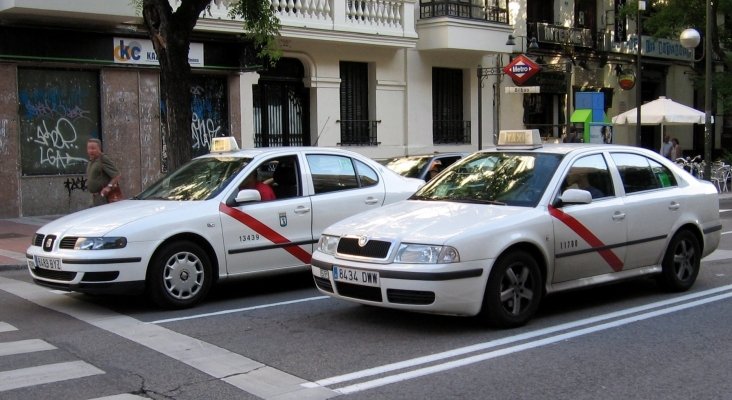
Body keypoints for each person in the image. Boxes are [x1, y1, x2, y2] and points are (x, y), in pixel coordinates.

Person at [86, 138, 121, 206]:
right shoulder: (91, 160)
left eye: (93, 148)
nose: (90, 151)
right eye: (89, 148)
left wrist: (108, 187)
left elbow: (117, 175)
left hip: (103, 197)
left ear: (99, 148)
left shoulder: (103, 159)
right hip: (94, 197)